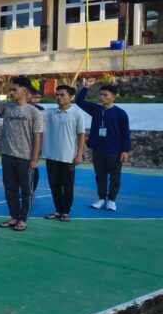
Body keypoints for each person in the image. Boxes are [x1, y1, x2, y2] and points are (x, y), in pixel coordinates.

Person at [0, 76, 45, 232]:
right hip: (7, 155)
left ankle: (23, 219)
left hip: (25, 158)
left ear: (25, 91)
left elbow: (38, 136)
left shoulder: (34, 112)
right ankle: (13, 216)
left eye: (14, 89)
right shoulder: (7, 107)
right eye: (10, 89)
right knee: (10, 189)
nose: (11, 92)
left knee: (26, 191)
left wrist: (34, 158)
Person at [76, 78, 131, 211]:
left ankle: (111, 200)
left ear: (113, 97)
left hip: (114, 150)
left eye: (105, 95)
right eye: (100, 95)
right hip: (98, 149)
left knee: (114, 176)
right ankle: (101, 199)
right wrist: (86, 87)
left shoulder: (120, 113)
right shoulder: (96, 109)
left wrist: (125, 150)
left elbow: (126, 132)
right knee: (100, 175)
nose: (101, 97)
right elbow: (79, 101)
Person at [42, 85, 87, 222]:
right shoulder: (49, 113)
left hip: (68, 157)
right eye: (57, 95)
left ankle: (66, 211)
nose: (59, 97)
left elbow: (81, 136)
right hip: (51, 155)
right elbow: (33, 111)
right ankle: (58, 210)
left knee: (67, 186)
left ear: (71, 97)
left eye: (62, 95)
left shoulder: (77, 114)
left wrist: (79, 154)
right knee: (54, 185)